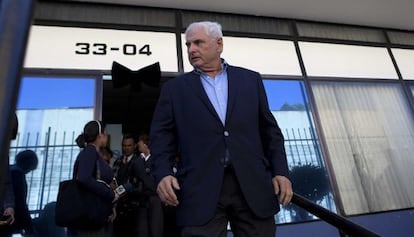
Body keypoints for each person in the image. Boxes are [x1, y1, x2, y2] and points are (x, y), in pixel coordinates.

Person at [150, 21, 293, 237]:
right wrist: (162, 173)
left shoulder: (250, 80)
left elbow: (270, 131)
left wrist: (280, 171)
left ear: (219, 44)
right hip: (199, 190)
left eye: (198, 42)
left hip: (253, 185)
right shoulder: (174, 89)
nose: (191, 49)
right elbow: (161, 137)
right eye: (188, 45)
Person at [73, 120, 119, 237]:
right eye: (106, 133)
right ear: (100, 135)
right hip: (91, 216)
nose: (107, 136)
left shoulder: (93, 153)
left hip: (98, 214)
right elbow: (83, 178)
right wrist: (110, 194)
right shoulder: (90, 152)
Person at [112, 134, 146, 237]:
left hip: (133, 207)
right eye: (124, 145)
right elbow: (113, 180)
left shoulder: (139, 162)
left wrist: (118, 191)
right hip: (118, 207)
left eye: (129, 145)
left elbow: (137, 185)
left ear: (134, 146)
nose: (126, 148)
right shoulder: (117, 162)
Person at [136, 134, 164, 237]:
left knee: (155, 230)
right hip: (142, 200)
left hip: (155, 199)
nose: (137, 144)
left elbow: (154, 182)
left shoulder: (156, 160)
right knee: (142, 231)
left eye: (139, 142)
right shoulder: (139, 160)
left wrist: (141, 170)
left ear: (145, 144)